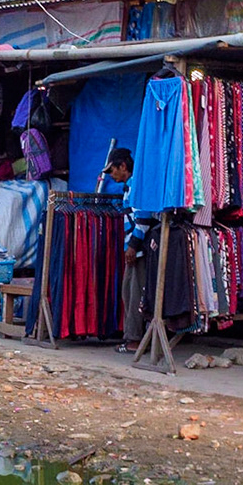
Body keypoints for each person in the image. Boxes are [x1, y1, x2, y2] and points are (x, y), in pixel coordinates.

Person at [99, 147, 151, 353]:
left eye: (113, 170)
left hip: (138, 249)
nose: (112, 175)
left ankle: (134, 339)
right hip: (134, 248)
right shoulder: (129, 187)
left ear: (123, 166)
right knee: (128, 291)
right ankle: (132, 337)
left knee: (134, 292)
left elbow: (144, 218)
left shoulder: (136, 186)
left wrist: (133, 246)